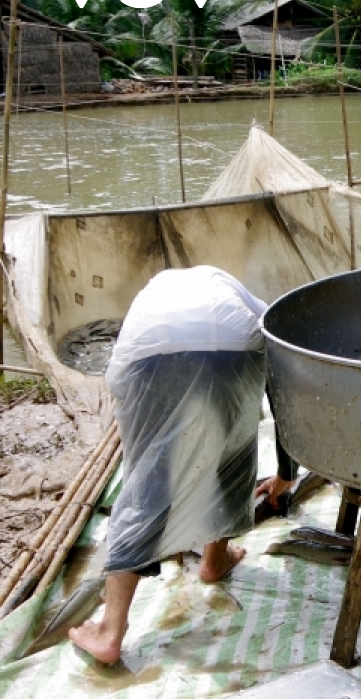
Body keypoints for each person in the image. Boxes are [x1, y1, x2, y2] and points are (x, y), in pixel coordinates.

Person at [69, 267, 269, 665]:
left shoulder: (155, 293)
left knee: (147, 477)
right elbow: (284, 391)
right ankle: (214, 561)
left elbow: (128, 400)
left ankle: (111, 629)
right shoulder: (245, 300)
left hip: (150, 345)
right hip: (236, 344)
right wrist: (285, 475)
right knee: (232, 449)